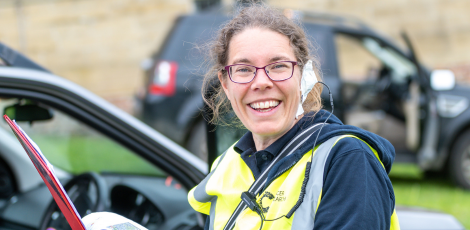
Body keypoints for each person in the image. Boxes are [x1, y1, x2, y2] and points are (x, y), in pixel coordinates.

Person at [187, 3, 400, 230]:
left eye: (278, 66)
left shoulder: (347, 160)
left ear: (304, 78)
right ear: (225, 84)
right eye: (243, 69)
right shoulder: (225, 165)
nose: (261, 82)